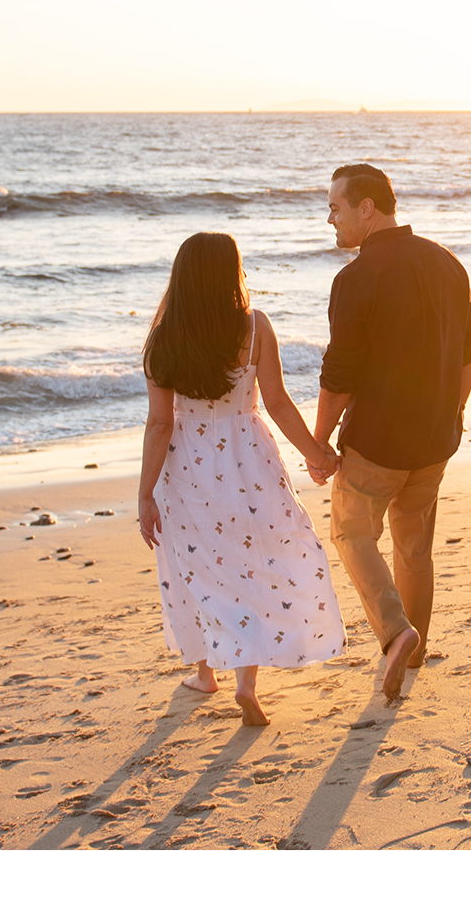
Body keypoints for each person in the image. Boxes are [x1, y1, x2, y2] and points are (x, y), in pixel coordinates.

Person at [138, 232, 345, 726]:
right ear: (231, 272)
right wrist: (315, 453)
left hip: (187, 464)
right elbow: (276, 402)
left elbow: (160, 423)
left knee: (199, 566)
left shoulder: (164, 336)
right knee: (250, 561)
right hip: (248, 457)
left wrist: (145, 493)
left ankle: (206, 674)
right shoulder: (254, 328)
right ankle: (247, 684)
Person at [308, 163, 471, 702]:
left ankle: (395, 633)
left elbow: (339, 375)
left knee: (351, 534)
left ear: (367, 209)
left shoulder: (356, 279)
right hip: (434, 439)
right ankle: (418, 646)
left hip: (377, 443)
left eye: (336, 208)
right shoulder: (446, 263)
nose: (330, 220)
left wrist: (319, 441)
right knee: (414, 546)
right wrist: (451, 411)